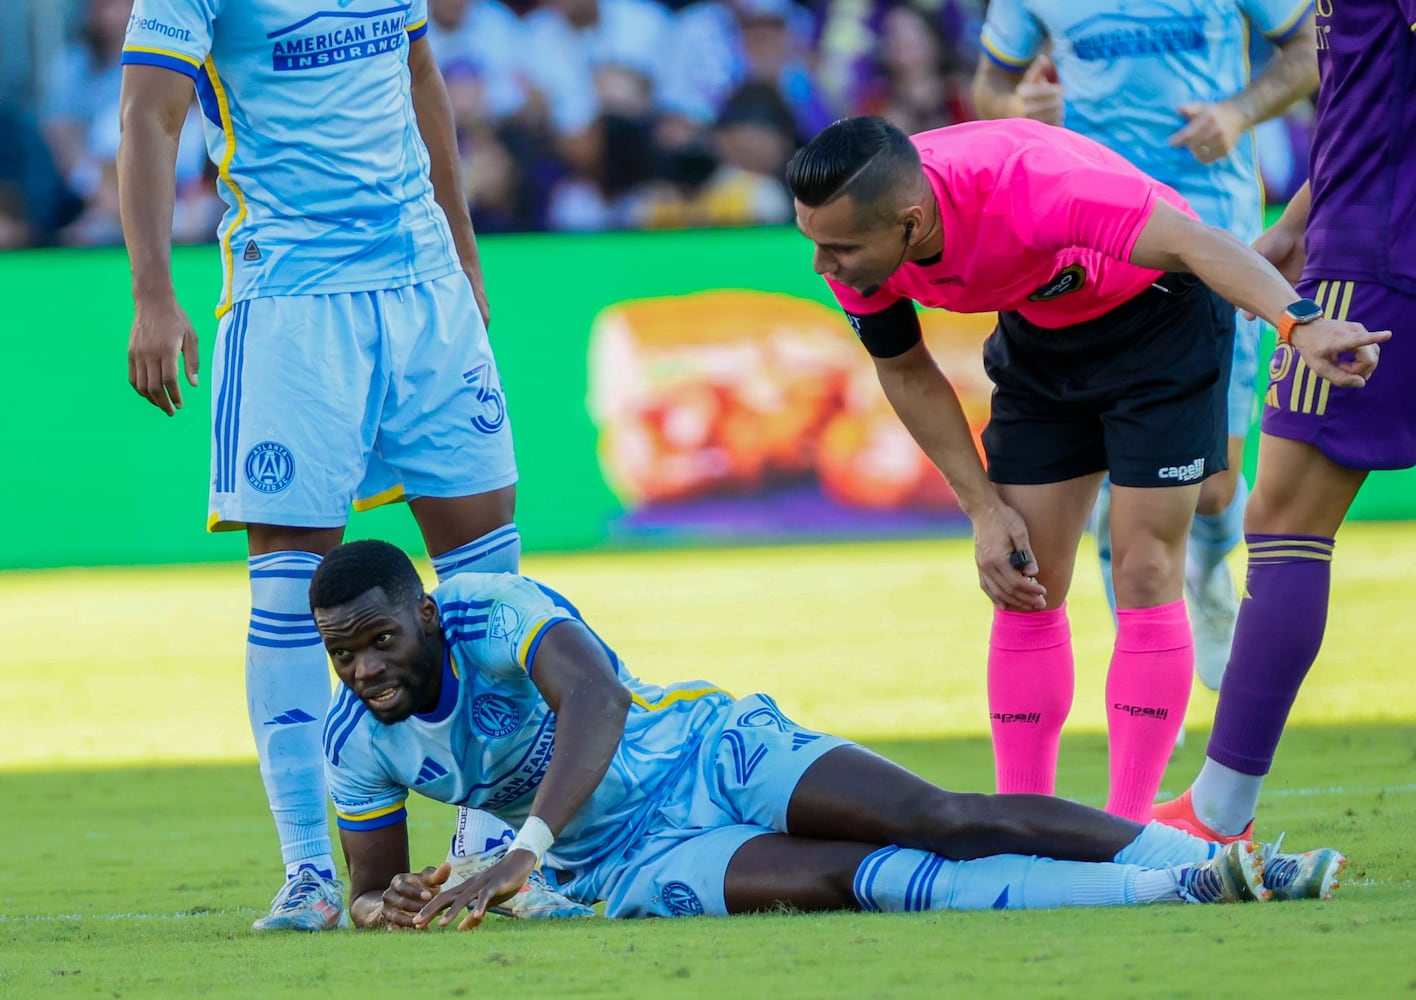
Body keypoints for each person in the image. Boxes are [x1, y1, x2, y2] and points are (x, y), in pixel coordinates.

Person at [117, 0, 588, 930]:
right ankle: (308, 874)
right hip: (293, 297)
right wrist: (152, 294)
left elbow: (420, 81)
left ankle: (482, 848)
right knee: (290, 591)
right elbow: (148, 115)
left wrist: (462, 254)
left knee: (488, 571)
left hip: (426, 291)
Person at [785, 116, 1387, 821]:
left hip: (1160, 322)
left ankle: (1127, 832)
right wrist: (983, 509)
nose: (824, 267)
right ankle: (1022, 827)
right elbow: (909, 374)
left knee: (1143, 569)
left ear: (911, 224)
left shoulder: (1033, 189)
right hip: (1042, 337)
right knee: (1023, 577)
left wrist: (1302, 325)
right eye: (815, 242)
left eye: (839, 249)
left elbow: (1198, 244)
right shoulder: (865, 242)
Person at [309, 539, 1346, 927]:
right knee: (868, 877)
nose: (365, 669)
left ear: (426, 614)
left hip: (710, 748)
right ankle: (1181, 891)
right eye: (341, 652)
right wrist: (388, 903)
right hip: (631, 858)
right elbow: (369, 886)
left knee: (939, 815)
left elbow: (599, 700)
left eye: (381, 639)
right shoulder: (356, 735)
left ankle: (1214, 851)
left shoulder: (488, 605)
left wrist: (514, 855)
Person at [1156, 0, 1416, 842]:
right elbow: (1380, 100)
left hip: (1379, 271)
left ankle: (1219, 810)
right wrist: (1299, 224)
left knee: (1283, 523)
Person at [971, 0, 1319, 694]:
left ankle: (1209, 569)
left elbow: (1310, 49)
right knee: (1111, 473)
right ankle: (1144, 643)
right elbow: (988, 89)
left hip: (1211, 240)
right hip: (1085, 239)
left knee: (1215, 488)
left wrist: (1239, 112)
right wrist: (1022, 108)